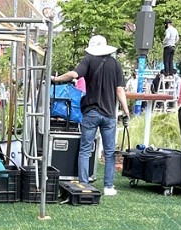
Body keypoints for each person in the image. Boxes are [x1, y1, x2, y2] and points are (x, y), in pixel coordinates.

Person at [52, 35, 131, 196]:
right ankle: (108, 187)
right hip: (109, 113)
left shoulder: (88, 60)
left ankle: (83, 184)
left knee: (85, 149)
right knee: (109, 152)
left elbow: (74, 75)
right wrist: (126, 110)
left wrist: (56, 79)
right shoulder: (115, 64)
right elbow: (120, 90)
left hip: (91, 112)